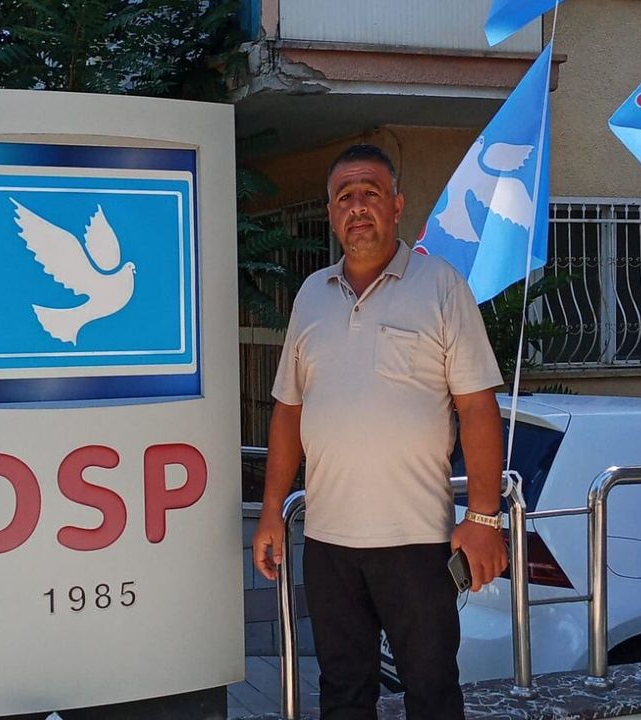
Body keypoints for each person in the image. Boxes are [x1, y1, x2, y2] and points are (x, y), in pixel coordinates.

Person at [252, 144, 509, 720]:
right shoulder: (310, 296)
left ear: (397, 206)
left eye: (371, 193)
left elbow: (477, 407)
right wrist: (271, 510)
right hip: (329, 543)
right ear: (330, 213)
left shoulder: (441, 286)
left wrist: (485, 518)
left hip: (417, 543)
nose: (358, 206)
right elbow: (289, 410)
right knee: (342, 694)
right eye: (345, 197)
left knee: (432, 693)